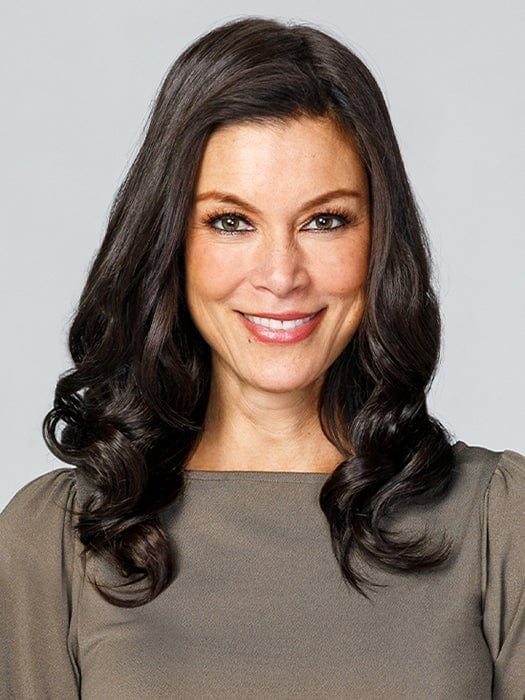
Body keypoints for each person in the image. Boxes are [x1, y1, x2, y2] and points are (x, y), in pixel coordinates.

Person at [1, 16, 524, 699]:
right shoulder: (55, 541)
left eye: (324, 220)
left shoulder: (498, 524)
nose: (280, 275)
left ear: (379, 241)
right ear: (170, 243)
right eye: (231, 222)